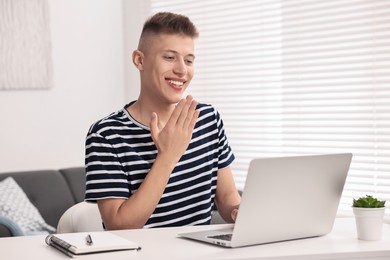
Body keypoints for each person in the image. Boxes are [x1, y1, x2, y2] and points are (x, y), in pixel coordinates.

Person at [85, 12, 241, 230]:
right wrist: (168, 156)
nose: (182, 70)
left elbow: (226, 198)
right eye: (169, 57)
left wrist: (239, 211)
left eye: (189, 60)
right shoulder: (106, 134)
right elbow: (119, 226)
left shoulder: (207, 119)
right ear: (139, 60)